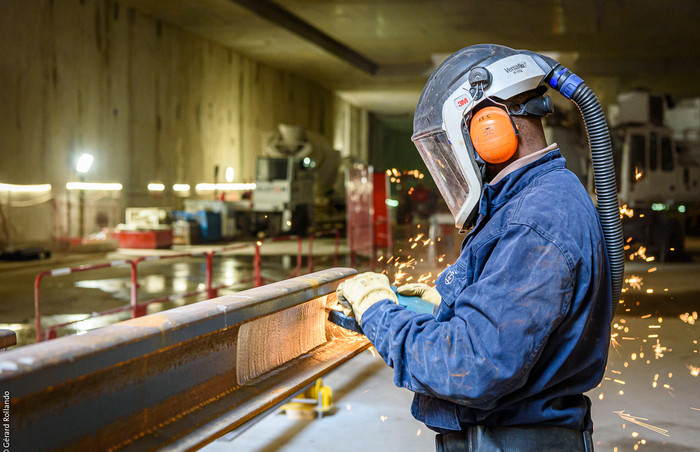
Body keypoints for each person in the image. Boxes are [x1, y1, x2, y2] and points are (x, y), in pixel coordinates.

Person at [336, 45, 611, 451]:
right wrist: (440, 308)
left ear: (490, 127)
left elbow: (469, 366)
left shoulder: (536, 219)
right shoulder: (536, 199)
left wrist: (380, 314)